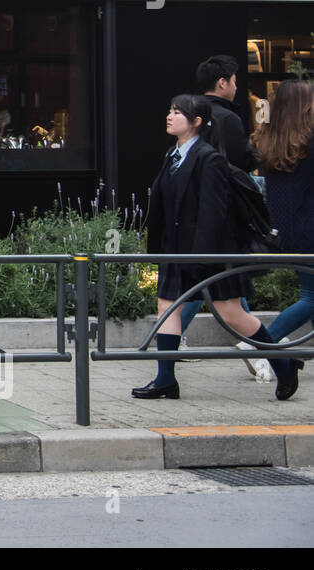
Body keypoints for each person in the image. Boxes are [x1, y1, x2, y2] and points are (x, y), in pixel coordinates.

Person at [133, 94, 298, 400]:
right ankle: (165, 380)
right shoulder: (173, 155)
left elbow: (213, 212)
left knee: (233, 314)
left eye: (177, 112)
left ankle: (283, 362)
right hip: (176, 249)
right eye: (169, 110)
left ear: (196, 122)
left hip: (208, 250)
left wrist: (202, 255)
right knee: (167, 307)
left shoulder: (209, 159)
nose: (169, 116)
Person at [178, 54, 261, 372]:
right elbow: (239, 165)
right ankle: (259, 346)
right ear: (222, 82)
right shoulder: (228, 118)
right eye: (235, 80)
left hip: (194, 209)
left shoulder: (188, 111)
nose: (238, 86)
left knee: (216, 281)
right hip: (221, 211)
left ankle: (254, 345)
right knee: (219, 278)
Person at [251, 79, 314, 401]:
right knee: (311, 297)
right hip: (310, 228)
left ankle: (269, 348)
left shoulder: (270, 138)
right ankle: (264, 342)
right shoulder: (310, 139)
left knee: (311, 293)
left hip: (287, 230)